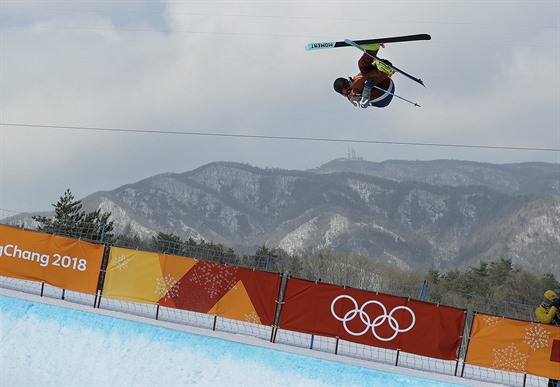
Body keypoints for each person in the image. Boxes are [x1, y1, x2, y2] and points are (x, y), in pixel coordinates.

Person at [333, 44, 395, 109]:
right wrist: (367, 88)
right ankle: (384, 71)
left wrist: (380, 63)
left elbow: (369, 72)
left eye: (346, 84)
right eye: (344, 89)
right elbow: (363, 105)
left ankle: (372, 50)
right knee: (357, 87)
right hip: (383, 96)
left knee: (362, 66)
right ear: (343, 93)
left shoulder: (356, 79)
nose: (348, 87)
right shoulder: (352, 97)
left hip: (384, 83)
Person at [535, 290, 560, 387]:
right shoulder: (539, 311)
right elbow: (547, 320)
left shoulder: (556, 309)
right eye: (551, 300)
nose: (553, 302)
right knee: (553, 369)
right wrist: (554, 307)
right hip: (548, 343)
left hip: (557, 341)